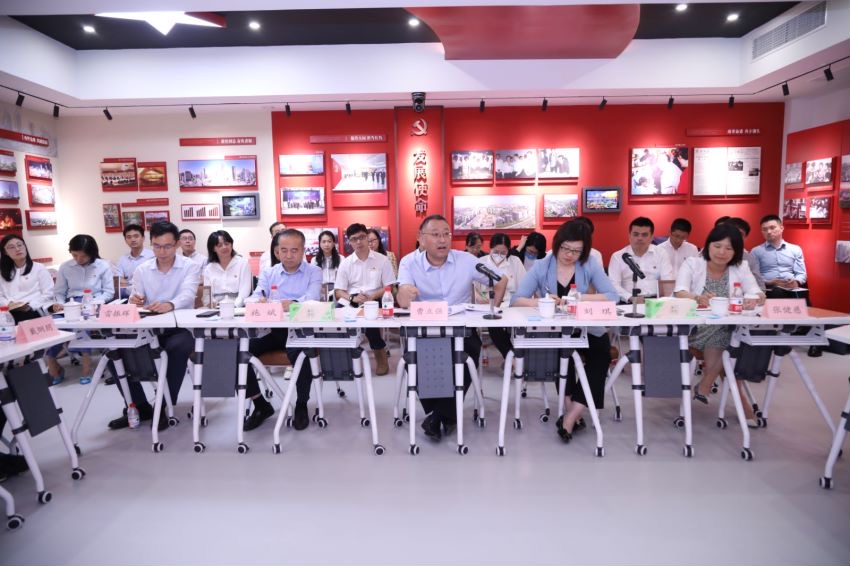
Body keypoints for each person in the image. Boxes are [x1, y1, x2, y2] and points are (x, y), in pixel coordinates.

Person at [396, 215, 507, 441]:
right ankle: (443, 415)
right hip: (425, 330)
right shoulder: (409, 262)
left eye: (446, 234)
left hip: (461, 329)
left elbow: (500, 280)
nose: (442, 240)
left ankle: (438, 416)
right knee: (413, 358)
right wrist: (405, 293)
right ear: (421, 238)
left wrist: (493, 307)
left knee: (468, 354)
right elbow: (402, 297)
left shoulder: (466, 260)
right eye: (435, 234)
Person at [512, 220, 619, 442]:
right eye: (566, 249)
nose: (570, 255)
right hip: (553, 329)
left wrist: (581, 298)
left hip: (586, 326)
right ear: (557, 244)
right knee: (562, 354)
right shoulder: (542, 266)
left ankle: (571, 415)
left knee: (601, 353)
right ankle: (572, 412)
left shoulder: (589, 264)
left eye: (577, 251)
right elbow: (516, 300)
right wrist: (541, 301)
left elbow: (612, 296)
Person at [108, 221, 200, 431]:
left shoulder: (190, 266)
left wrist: (170, 304)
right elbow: (135, 297)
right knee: (114, 353)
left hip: (180, 328)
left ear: (177, 244)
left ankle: (164, 406)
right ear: (151, 244)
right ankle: (139, 406)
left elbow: (188, 294)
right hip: (149, 328)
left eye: (167, 246)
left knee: (178, 348)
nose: (162, 251)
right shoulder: (143, 269)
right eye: (157, 246)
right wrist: (135, 300)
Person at [674, 223, 765, 426]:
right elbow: (679, 292)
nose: (722, 252)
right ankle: (733, 400)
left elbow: (757, 292)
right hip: (695, 328)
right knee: (729, 340)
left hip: (730, 328)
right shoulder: (693, 263)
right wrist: (697, 298)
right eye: (717, 246)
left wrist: (754, 299)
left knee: (728, 335)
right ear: (708, 245)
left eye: (729, 248)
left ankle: (705, 385)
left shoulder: (741, 267)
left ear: (736, 252)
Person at [242, 229, 322, 431]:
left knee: (302, 355)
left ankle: (301, 404)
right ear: (277, 252)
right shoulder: (269, 273)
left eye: (294, 250)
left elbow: (313, 298)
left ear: (303, 250)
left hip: (301, 331)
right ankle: (261, 404)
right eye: (284, 250)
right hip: (272, 331)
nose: (289, 255)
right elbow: (255, 296)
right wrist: (258, 301)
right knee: (239, 352)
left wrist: (293, 303)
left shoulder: (314, 271)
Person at [47, 234, 115, 385]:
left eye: (83, 256)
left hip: (94, 303)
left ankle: (86, 363)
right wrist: (59, 303)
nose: (79, 259)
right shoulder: (66, 267)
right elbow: (59, 292)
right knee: (53, 325)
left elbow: (109, 292)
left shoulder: (102, 265)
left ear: (92, 253)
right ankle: (52, 360)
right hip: (70, 304)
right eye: (75, 255)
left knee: (83, 323)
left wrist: (94, 303)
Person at [335, 223, 396, 375]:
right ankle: (345, 358)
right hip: (353, 299)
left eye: (362, 237)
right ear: (349, 241)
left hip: (375, 297)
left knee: (370, 320)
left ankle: (380, 354)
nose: (358, 242)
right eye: (354, 239)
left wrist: (372, 296)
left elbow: (389, 286)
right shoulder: (346, 263)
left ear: (367, 238)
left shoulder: (382, 260)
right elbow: (338, 291)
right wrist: (353, 298)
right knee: (338, 316)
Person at [473, 233, 526, 360]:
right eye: (496, 252)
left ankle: (513, 358)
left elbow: (524, 286)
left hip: (510, 305)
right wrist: (479, 298)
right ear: (490, 248)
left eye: (503, 252)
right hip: (487, 305)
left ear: (508, 251)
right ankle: (512, 358)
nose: (499, 255)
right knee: (494, 325)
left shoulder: (515, 262)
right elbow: (472, 287)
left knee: (514, 326)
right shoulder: (481, 262)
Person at [608, 217, 674, 303]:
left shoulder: (661, 254)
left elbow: (667, 282)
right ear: (629, 236)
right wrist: (631, 297)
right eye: (636, 234)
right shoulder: (618, 256)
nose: (639, 238)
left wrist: (662, 301)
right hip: (628, 302)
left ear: (651, 237)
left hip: (656, 301)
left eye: (644, 235)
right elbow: (613, 285)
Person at [750, 214, 807, 299]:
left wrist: (796, 281)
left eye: (772, 228)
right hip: (768, 288)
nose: (769, 232)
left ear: (781, 228)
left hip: (791, 288)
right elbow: (753, 276)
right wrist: (769, 282)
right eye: (764, 229)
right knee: (777, 292)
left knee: (803, 297)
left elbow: (801, 273)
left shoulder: (795, 249)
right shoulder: (756, 251)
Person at [0, 234, 54, 322]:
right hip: (9, 311)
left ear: (25, 246)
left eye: (19, 245)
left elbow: (49, 293)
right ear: (5, 252)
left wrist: (30, 305)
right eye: (12, 247)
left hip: (33, 309)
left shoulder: (39, 268)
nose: (17, 249)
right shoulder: (2, 273)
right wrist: (9, 304)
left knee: (22, 317)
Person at [202, 230, 252, 307]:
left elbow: (244, 291)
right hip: (216, 307)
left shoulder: (242, 263)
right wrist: (214, 304)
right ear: (213, 249)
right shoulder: (209, 268)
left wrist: (234, 306)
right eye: (219, 245)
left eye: (227, 244)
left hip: (237, 307)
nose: (224, 247)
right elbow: (207, 295)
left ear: (231, 245)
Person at [720, 217, 765, 290]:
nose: (735, 237)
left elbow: (760, 286)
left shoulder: (749, 259)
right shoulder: (711, 253)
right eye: (732, 232)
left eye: (740, 234)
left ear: (745, 238)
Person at [114, 223, 154, 297]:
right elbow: (117, 281)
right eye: (129, 237)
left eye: (136, 236)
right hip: (127, 295)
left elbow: (151, 281)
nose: (133, 240)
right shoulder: (122, 259)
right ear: (125, 240)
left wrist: (128, 282)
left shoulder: (152, 256)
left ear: (143, 238)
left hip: (148, 295)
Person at [311, 229, 342, 300]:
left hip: (337, 290)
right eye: (324, 242)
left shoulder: (341, 258)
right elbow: (314, 279)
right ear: (320, 243)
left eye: (329, 241)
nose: (326, 244)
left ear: (333, 243)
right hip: (321, 290)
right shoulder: (314, 260)